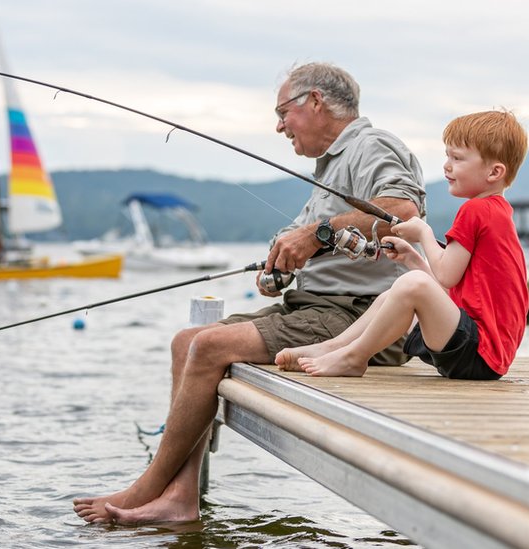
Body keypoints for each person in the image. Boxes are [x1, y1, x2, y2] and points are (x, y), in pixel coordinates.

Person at [73, 62, 426, 525]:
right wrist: (278, 269)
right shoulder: (331, 166)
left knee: (209, 344)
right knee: (187, 340)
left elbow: (402, 211)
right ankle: (180, 497)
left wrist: (316, 234)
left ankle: (146, 485)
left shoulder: (370, 145)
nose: (279, 126)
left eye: (283, 113)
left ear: (315, 102)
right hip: (318, 308)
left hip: (364, 320)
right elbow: (311, 238)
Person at [276, 110, 529, 380]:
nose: (446, 165)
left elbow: (445, 275)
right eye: (447, 156)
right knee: (392, 293)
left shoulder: (476, 211)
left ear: (494, 172)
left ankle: (354, 357)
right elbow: (449, 286)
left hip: (479, 352)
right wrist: (412, 259)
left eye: (457, 158)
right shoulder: (496, 212)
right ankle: (332, 348)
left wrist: (423, 232)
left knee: (412, 285)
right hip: (477, 351)